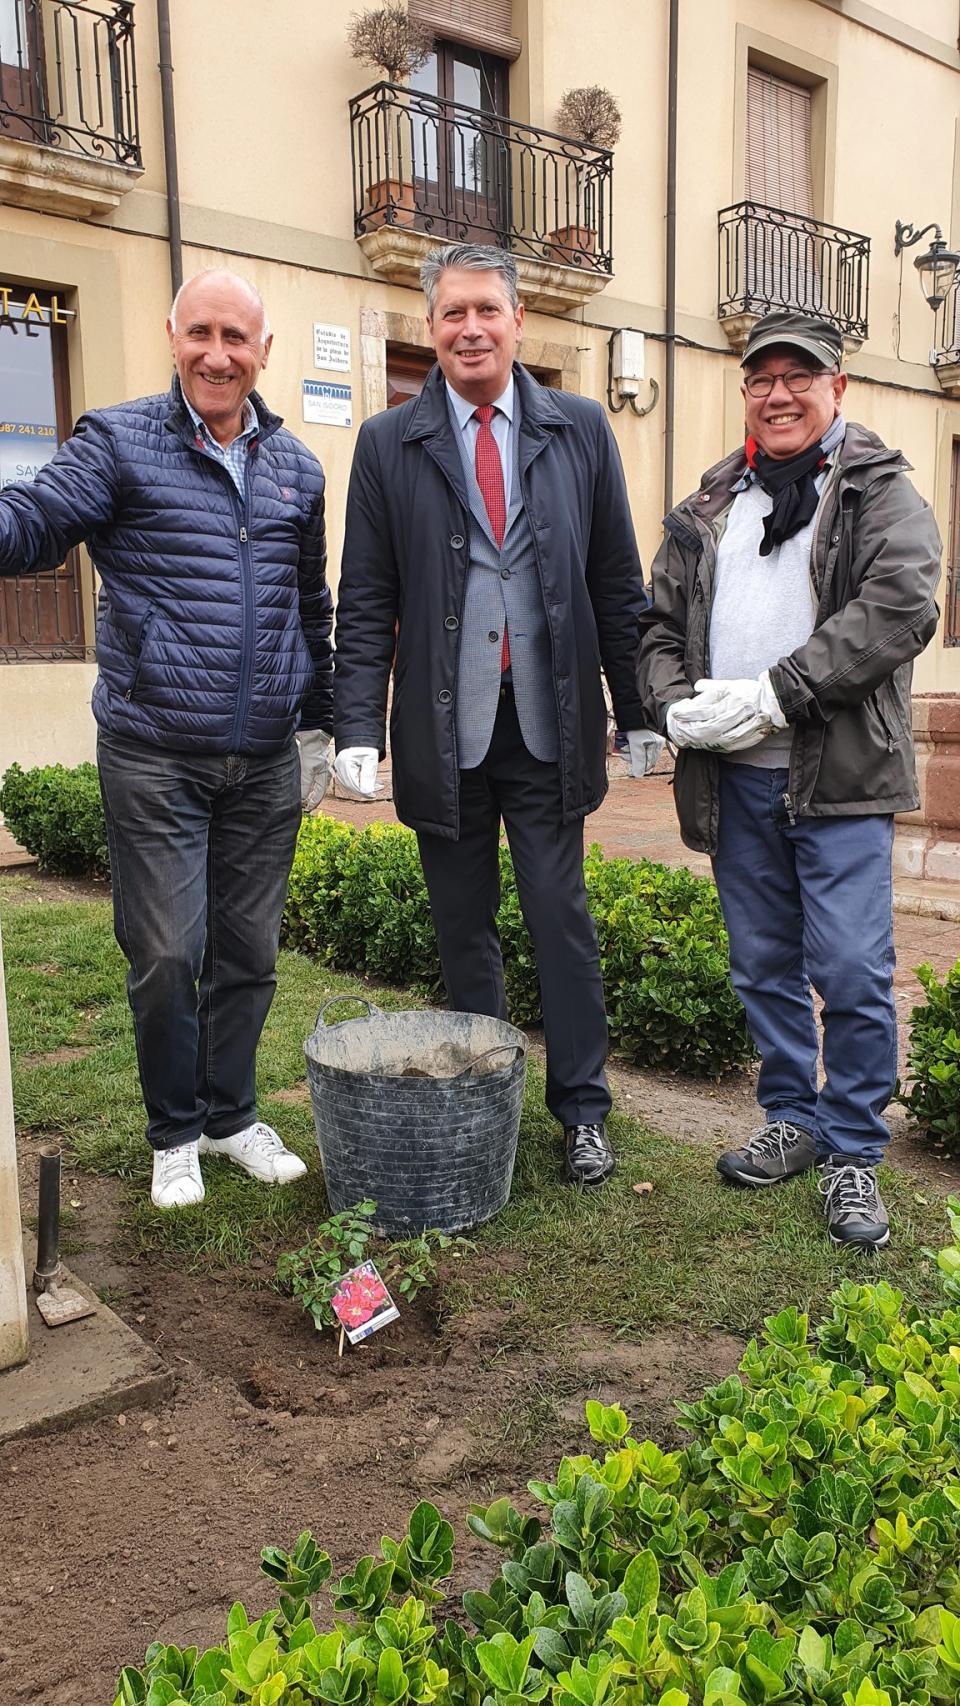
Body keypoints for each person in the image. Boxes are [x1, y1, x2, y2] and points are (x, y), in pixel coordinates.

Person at [0, 269, 334, 1209]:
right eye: (200, 334)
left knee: (249, 956)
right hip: (154, 755)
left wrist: (322, 723)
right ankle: (175, 1133)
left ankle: (230, 1117)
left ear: (263, 351)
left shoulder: (297, 468)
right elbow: (35, 521)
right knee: (166, 956)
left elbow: (311, 606)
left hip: (264, 761)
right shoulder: (118, 441)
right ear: (172, 335)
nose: (217, 355)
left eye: (236, 338)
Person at [333, 242, 656, 1186]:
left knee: (561, 918)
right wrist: (357, 726)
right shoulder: (388, 443)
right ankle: (485, 1102)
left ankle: (582, 1109)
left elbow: (615, 580)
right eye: (452, 313)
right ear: (431, 326)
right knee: (462, 926)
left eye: (487, 311)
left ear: (518, 321)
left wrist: (638, 708)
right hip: (444, 728)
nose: (470, 329)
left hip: (550, 721)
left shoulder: (580, 429)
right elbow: (366, 597)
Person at [637, 308, 941, 1248]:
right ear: (746, 393)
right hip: (734, 782)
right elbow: (657, 626)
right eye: (762, 379)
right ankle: (793, 1119)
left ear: (836, 388)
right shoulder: (711, 503)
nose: (779, 394)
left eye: (798, 377)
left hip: (840, 779)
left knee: (850, 969)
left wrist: (779, 693)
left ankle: (852, 1150)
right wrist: (669, 706)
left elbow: (903, 604)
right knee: (763, 966)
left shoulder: (879, 490)